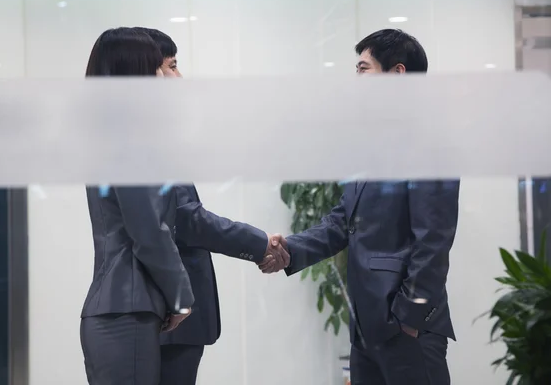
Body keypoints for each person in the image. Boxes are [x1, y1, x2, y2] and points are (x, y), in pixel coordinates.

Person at [264, 29, 460, 385]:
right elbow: (344, 221)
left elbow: (434, 241)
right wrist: (290, 250)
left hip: (406, 329)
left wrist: (408, 318)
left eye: (362, 69)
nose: (355, 79)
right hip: (367, 328)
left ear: (397, 74)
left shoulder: (430, 140)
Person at [133, 27, 288, 385]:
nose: (179, 76)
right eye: (172, 66)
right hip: (168, 310)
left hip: (165, 312)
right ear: (151, 73)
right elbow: (186, 219)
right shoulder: (148, 138)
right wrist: (260, 243)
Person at [80, 27, 192, 385]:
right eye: (158, 67)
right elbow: (148, 231)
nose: (166, 75)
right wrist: (182, 297)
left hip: (124, 307)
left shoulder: (111, 134)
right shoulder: (127, 140)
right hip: (125, 310)